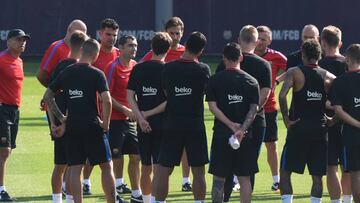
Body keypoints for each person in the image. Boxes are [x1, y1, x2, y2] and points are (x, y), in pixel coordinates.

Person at [44, 38, 121, 203]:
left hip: (72, 127)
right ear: (95, 54)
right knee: (106, 166)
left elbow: (48, 96)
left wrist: (61, 117)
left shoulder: (67, 72)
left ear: (82, 52)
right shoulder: (96, 73)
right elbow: (106, 100)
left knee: (75, 168)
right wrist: (105, 123)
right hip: (92, 125)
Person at [216, 25, 272, 202]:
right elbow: (265, 94)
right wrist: (251, 114)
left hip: (227, 121)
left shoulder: (224, 63)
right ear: (257, 42)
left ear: (239, 40)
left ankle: (223, 199)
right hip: (254, 123)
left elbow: (216, 93)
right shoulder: (264, 64)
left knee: (223, 169)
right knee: (247, 169)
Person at [154, 32, 210, 203]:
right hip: (195, 125)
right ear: (201, 51)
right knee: (198, 170)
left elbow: (166, 93)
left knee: (164, 168)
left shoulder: (168, 68)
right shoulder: (203, 69)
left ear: (185, 44)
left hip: (172, 123)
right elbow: (207, 93)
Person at [279, 39, 335, 203]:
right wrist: (333, 119)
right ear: (320, 55)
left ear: (303, 54)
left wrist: (287, 120)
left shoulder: (294, 72)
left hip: (298, 128)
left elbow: (282, 95)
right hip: (319, 129)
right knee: (317, 178)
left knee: (285, 171)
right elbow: (340, 102)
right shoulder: (329, 77)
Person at [141, 17, 192, 191]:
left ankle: (186, 180)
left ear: (182, 33)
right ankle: (152, 193)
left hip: (182, 107)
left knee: (185, 145)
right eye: (172, 33)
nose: (175, 36)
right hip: (161, 108)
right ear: (166, 33)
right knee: (157, 157)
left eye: (178, 33)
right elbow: (141, 70)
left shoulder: (186, 52)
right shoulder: (157, 51)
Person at [207, 42, 259, 203]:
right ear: (241, 57)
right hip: (244, 136)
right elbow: (254, 109)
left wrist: (230, 125)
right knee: (244, 179)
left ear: (223, 58)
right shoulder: (252, 81)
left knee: (219, 178)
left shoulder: (214, 80)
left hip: (222, 134)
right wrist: (242, 129)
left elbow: (212, 107)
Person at [127, 32, 172, 203]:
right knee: (160, 168)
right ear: (168, 49)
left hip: (142, 125)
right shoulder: (168, 69)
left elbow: (130, 96)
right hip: (162, 124)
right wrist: (147, 114)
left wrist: (140, 117)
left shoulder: (138, 68)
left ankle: (146, 200)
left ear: (151, 47)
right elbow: (170, 100)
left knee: (146, 165)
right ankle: (156, 200)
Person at [46, 31, 88, 203]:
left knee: (60, 164)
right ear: (84, 46)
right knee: (75, 165)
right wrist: (65, 120)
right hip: (75, 124)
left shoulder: (60, 65)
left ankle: (57, 200)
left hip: (59, 122)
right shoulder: (82, 69)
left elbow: (48, 97)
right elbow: (77, 98)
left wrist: (54, 122)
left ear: (69, 44)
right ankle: (71, 199)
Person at [82, 18, 121, 196]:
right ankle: (85, 181)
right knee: (90, 152)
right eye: (108, 34)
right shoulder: (92, 52)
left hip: (112, 110)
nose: (111, 38)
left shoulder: (119, 54)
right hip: (91, 110)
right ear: (100, 33)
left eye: (114, 35)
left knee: (112, 152)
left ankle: (118, 185)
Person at [104, 35, 143, 203]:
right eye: (130, 45)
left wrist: (135, 111)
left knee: (136, 156)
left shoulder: (136, 66)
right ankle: (116, 193)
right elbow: (105, 96)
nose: (134, 48)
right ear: (121, 48)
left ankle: (136, 194)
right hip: (115, 119)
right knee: (116, 157)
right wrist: (125, 110)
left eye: (135, 45)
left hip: (131, 120)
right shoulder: (112, 67)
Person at [319, 25, 352, 203]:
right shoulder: (350, 64)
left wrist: (329, 105)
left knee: (331, 166)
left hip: (327, 122)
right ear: (340, 43)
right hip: (348, 121)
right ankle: (347, 200)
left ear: (322, 42)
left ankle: (336, 202)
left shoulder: (319, 66)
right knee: (347, 166)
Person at [254, 25, 287, 191]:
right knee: (245, 144)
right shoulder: (245, 55)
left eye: (263, 39)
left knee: (271, 145)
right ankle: (237, 179)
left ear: (270, 41)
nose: (259, 42)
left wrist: (278, 80)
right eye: (258, 38)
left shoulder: (276, 57)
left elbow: (293, 71)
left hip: (269, 108)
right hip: (248, 108)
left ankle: (276, 180)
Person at [0, 29, 30, 201]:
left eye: (24, 40)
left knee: (7, 151)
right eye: (19, 39)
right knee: (4, 151)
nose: (22, 42)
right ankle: (1, 190)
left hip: (14, 110)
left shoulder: (19, 61)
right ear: (9, 41)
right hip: (2, 109)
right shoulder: (2, 59)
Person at [331, 44, 360, 203]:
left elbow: (339, 111)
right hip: (352, 134)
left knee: (355, 173)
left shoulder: (340, 82)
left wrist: (357, 124)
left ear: (347, 59)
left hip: (352, 135)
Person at [37, 19, 87, 87]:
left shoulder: (85, 49)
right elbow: (41, 75)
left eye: (83, 34)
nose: (81, 37)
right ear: (69, 31)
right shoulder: (56, 47)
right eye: (78, 33)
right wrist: (54, 91)